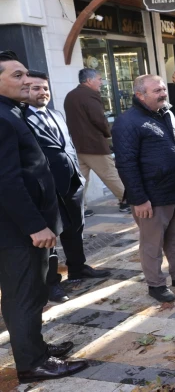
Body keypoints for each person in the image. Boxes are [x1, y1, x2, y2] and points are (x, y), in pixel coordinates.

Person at [0, 51, 88, 382]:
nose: (27, 81)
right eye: (17, 76)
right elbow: (6, 180)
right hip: (16, 232)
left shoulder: (13, 112)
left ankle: (34, 349)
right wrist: (35, 225)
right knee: (24, 295)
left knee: (32, 293)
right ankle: (32, 365)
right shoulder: (3, 118)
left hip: (23, 227)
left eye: (27, 75)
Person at [112, 75, 175, 303]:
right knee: (152, 244)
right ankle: (155, 284)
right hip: (152, 197)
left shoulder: (167, 113)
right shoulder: (127, 122)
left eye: (163, 89)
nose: (163, 93)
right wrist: (138, 198)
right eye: (157, 91)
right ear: (140, 95)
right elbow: (126, 164)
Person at [24, 71, 111, 303]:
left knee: (75, 230)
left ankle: (78, 267)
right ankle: (51, 283)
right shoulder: (20, 119)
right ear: (25, 91)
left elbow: (67, 145)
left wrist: (78, 178)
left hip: (71, 183)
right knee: (50, 239)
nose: (42, 92)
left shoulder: (56, 114)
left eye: (45, 88)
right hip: (46, 191)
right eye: (35, 88)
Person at [64, 68, 129, 214]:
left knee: (79, 179)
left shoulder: (70, 95)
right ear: (89, 80)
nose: (101, 82)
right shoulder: (90, 95)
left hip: (76, 144)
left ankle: (78, 207)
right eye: (99, 79)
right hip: (93, 144)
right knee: (110, 174)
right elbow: (99, 119)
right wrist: (108, 133)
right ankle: (126, 200)